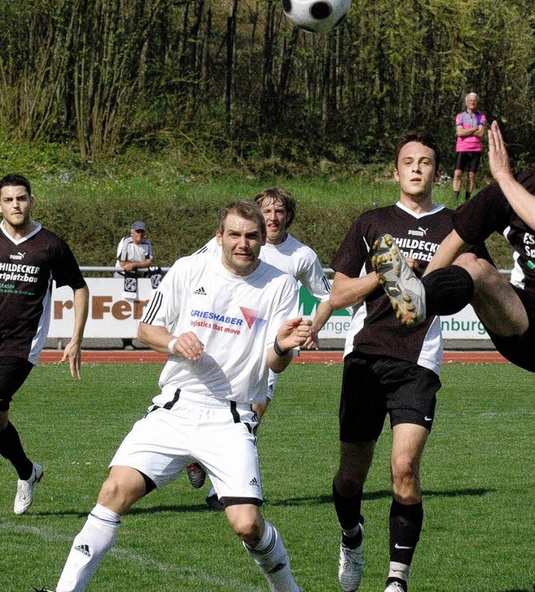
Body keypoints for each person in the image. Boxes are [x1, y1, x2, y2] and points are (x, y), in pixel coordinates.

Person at [374, 98, 535, 591]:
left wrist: (502, 178)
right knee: (473, 266)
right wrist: (420, 287)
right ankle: (422, 298)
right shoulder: (521, 184)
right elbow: (461, 231)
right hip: (529, 319)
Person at [47, 201, 309, 592]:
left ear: (262, 240)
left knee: (247, 525)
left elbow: (275, 362)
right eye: (234, 235)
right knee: (113, 491)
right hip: (176, 406)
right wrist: (173, 340)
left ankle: (288, 589)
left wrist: (284, 347)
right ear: (219, 237)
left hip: (230, 416)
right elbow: (145, 329)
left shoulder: (281, 285)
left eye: (251, 236)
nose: (243, 244)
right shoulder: (189, 269)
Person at [328, 132, 486, 592]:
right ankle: (351, 536)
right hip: (365, 356)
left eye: (426, 162)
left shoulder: (456, 226)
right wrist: (386, 274)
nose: (417, 168)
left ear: (438, 172)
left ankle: (397, 580)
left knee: (404, 470)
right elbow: (338, 294)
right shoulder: (371, 223)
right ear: (395, 173)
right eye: (408, 162)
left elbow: (479, 281)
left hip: (419, 361)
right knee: (350, 475)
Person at [187, 187, 335, 509]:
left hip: (269, 346)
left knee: (252, 413)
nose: (272, 217)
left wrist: (314, 327)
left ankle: (221, 488)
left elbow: (326, 297)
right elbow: (195, 271)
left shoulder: (301, 256)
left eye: (279, 211)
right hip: (225, 339)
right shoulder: (240, 241)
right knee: (210, 404)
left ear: (288, 216)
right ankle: (196, 456)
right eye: (266, 211)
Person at [0, 173, 89, 515]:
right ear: (1, 204)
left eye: (21, 198)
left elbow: (79, 288)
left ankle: (26, 472)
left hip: (22, 343)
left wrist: (76, 337)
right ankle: (27, 471)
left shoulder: (49, 244)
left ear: (31, 201)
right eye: (8, 199)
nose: (16, 205)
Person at [114, 220, 158, 349]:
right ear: (132, 233)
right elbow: (122, 264)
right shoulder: (125, 242)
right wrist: (138, 264)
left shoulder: (147, 243)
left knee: (140, 308)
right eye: (137, 232)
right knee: (124, 307)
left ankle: (146, 338)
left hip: (139, 277)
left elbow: (149, 262)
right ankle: (126, 341)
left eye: (142, 232)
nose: (140, 235)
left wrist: (133, 265)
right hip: (122, 277)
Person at [452, 92, 486, 202]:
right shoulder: (460, 116)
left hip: (476, 149)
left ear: (477, 102)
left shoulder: (481, 116)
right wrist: (475, 128)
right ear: (466, 102)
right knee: (458, 173)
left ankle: (468, 199)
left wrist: (465, 131)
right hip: (462, 148)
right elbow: (459, 132)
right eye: (470, 100)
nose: (472, 102)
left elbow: (481, 134)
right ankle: (455, 199)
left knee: (471, 175)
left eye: (474, 100)